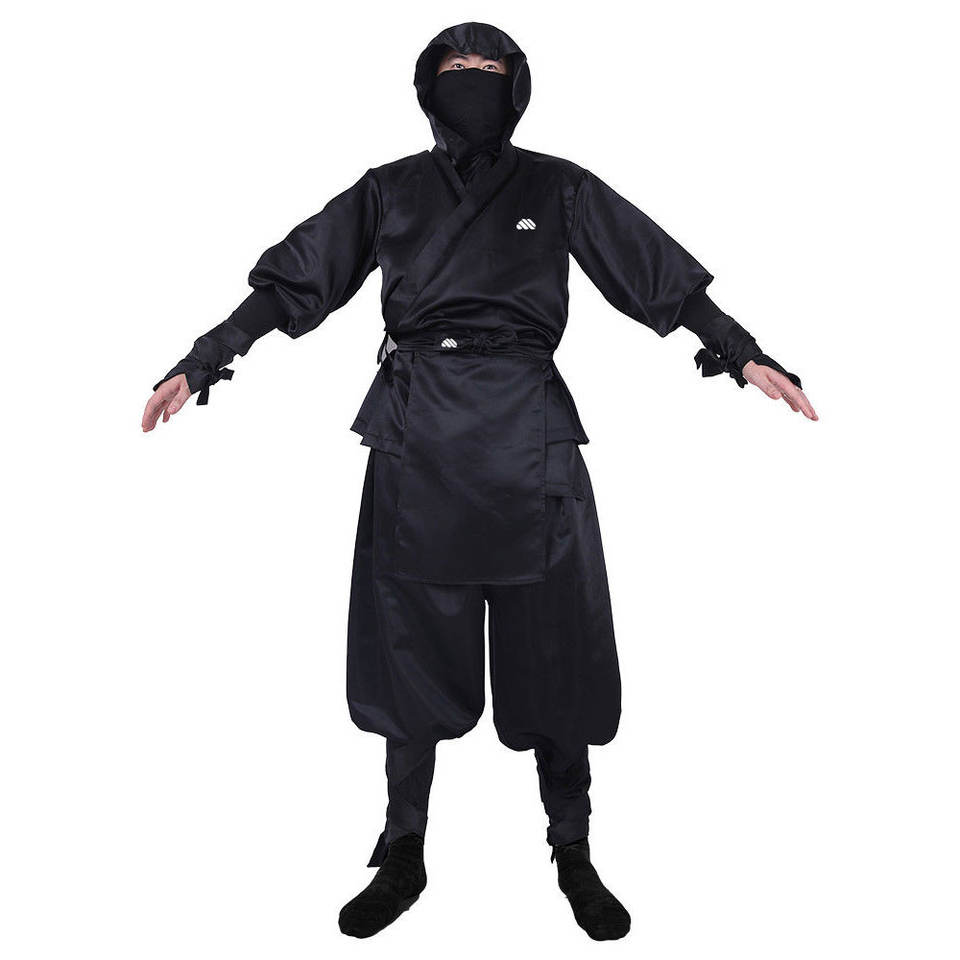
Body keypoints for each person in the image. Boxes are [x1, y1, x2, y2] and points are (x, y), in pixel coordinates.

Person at [142, 22, 816, 941]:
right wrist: (205, 357)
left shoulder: (557, 185)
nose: (473, 79)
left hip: (530, 436)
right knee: (408, 648)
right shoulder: (388, 190)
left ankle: (573, 848)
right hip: (416, 435)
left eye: (489, 67)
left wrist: (739, 351)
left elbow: (651, 274)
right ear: (428, 86)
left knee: (558, 647)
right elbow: (298, 282)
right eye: (455, 67)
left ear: (516, 85)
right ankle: (402, 850)